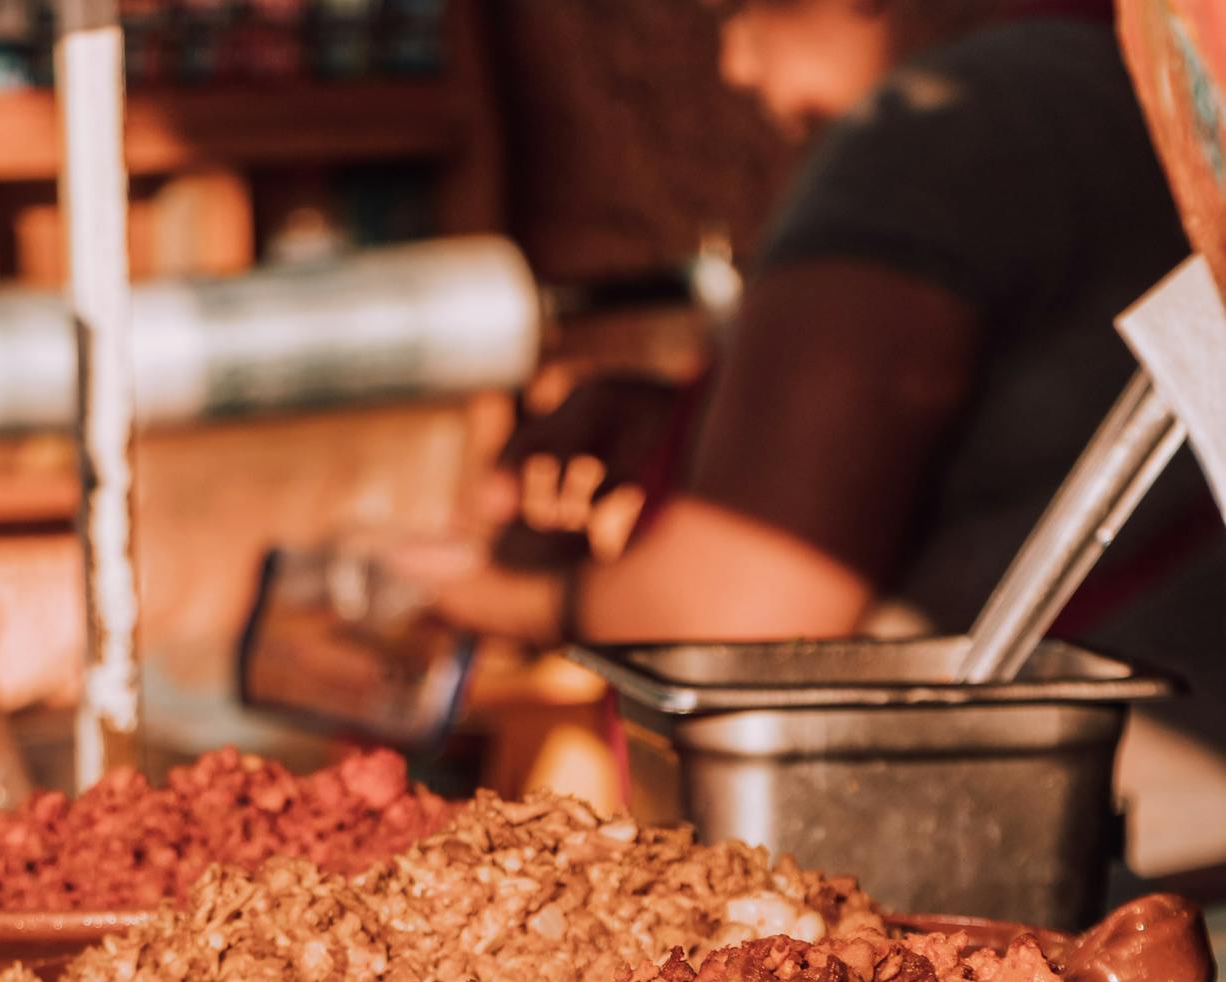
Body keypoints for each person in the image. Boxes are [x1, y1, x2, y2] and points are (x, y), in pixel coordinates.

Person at [405, 0, 1221, 723]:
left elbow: (746, 614)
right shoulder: (1128, 81)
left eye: (746, 8)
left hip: (1082, 839)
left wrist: (482, 597)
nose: (735, 61)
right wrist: (682, 428)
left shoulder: (924, 134)